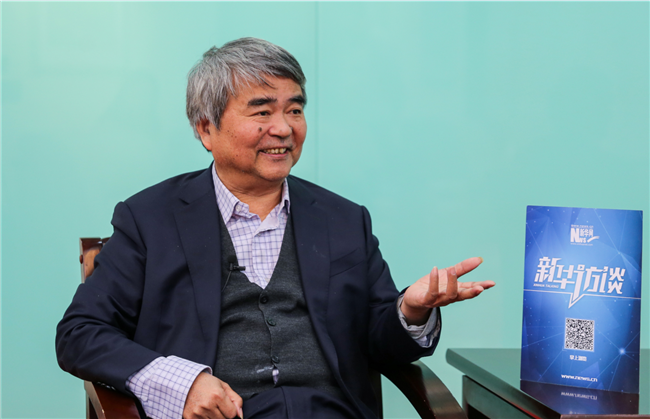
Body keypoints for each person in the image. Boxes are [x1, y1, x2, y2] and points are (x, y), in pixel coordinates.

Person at [56, 37, 494, 419]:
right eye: (262, 111)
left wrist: (410, 311)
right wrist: (183, 383)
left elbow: (380, 345)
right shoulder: (150, 218)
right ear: (206, 129)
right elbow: (80, 334)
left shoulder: (344, 219)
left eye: (295, 110)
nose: (284, 128)